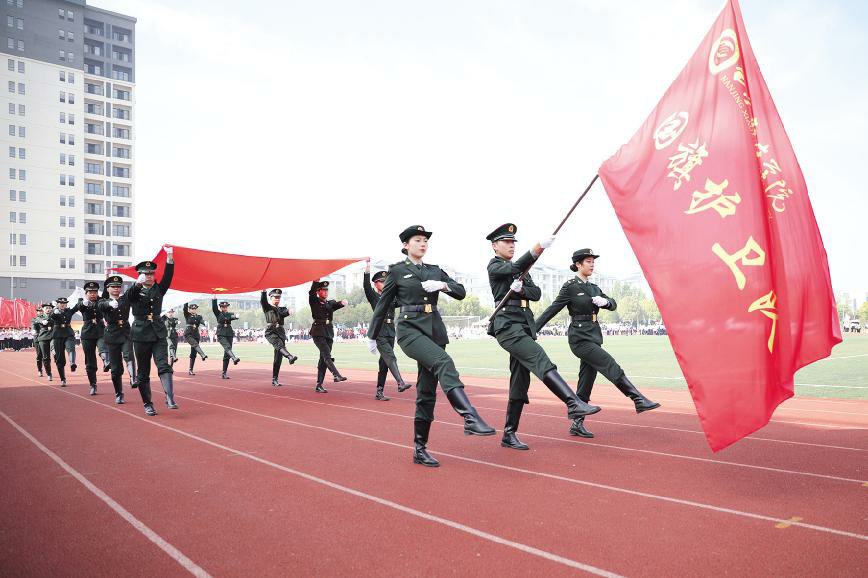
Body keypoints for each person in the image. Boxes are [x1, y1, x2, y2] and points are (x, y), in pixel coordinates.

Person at [368, 225, 495, 468]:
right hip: (409, 329)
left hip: (434, 330)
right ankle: (470, 417)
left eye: (425, 240)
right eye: (417, 240)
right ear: (406, 245)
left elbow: (460, 292)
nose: (423, 244)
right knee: (443, 362)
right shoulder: (396, 271)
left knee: (426, 392)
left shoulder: (435, 270)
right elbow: (383, 305)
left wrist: (443, 286)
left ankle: (420, 448)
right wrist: (372, 335)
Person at [485, 224, 601, 450]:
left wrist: (520, 289)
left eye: (513, 242)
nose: (511, 245)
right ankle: (572, 403)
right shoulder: (496, 265)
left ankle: (509, 434)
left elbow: (536, 294)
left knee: (520, 381)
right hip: (507, 326)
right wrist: (537, 248)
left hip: (523, 326)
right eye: (506, 242)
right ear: (494, 246)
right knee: (540, 358)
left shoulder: (519, 271)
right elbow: (514, 267)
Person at [535, 248, 660, 438]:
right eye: (588, 261)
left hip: (594, 336)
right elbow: (552, 309)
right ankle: (637, 399)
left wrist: (606, 303)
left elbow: (613, 303)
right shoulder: (570, 286)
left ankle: (577, 422)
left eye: (593, 261)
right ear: (578, 264)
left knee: (587, 380)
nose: (592, 264)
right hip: (579, 338)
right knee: (609, 364)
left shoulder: (594, 287)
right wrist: (532, 330)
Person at [127, 248, 176, 415]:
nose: (149, 276)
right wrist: (137, 284)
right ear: (140, 275)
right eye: (146, 274)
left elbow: (168, 277)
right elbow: (128, 297)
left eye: (151, 274)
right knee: (143, 371)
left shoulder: (158, 289)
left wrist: (170, 257)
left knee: (163, 364)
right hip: (141, 333)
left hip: (158, 331)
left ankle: (169, 397)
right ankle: (147, 403)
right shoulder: (134, 290)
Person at [363, 258, 412, 400]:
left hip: (391, 330)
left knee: (384, 363)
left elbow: (402, 300)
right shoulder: (373, 297)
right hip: (379, 332)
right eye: (381, 282)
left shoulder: (390, 297)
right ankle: (400, 382)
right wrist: (367, 268)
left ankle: (379, 392)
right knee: (390, 357)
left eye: (386, 281)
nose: (384, 284)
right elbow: (366, 286)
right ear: (376, 284)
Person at [98, 276, 134, 405]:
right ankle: (119, 393)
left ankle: (133, 378)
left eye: (118, 286)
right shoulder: (103, 301)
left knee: (128, 354)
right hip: (112, 335)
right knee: (116, 369)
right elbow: (100, 305)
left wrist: (139, 283)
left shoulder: (125, 299)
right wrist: (109, 303)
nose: (116, 289)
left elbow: (133, 292)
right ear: (108, 288)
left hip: (125, 332)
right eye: (113, 286)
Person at [308, 280, 348, 393]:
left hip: (328, 332)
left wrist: (342, 303)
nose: (325, 292)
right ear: (318, 291)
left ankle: (319, 385)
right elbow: (311, 293)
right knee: (326, 355)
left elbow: (336, 305)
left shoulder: (329, 303)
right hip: (318, 332)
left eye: (326, 290)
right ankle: (336, 375)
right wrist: (315, 281)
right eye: (323, 290)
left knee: (323, 359)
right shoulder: (314, 301)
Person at [260, 288, 298, 386]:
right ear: (271, 298)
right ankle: (290, 356)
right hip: (271, 331)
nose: (277, 299)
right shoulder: (267, 307)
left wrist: (290, 311)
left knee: (278, 358)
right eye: (275, 297)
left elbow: (285, 312)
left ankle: (275, 379)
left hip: (280, 332)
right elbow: (263, 301)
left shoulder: (281, 309)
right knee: (279, 345)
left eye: (279, 297)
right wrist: (263, 292)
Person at [79, 281, 105, 395]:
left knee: (103, 348)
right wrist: (84, 303)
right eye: (90, 292)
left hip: (100, 330)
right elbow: (79, 307)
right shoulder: (82, 302)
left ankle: (106, 360)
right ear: (86, 293)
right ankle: (93, 384)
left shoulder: (101, 300)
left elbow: (106, 299)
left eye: (95, 292)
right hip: (87, 333)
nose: (93, 294)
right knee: (90, 361)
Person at [48, 296, 82, 386]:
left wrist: (80, 301)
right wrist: (54, 311)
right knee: (60, 358)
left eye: (64, 303)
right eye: (61, 303)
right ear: (58, 304)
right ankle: (63, 379)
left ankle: (72, 363)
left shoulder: (69, 311)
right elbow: (51, 316)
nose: (63, 305)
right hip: (58, 335)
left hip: (68, 333)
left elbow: (76, 308)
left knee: (71, 348)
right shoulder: (55, 311)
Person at [212, 298, 241, 379]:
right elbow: (214, 308)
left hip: (229, 333)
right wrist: (214, 299)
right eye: (223, 307)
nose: (224, 308)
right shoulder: (218, 314)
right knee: (227, 347)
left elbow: (233, 316)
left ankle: (224, 373)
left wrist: (236, 317)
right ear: (220, 307)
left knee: (227, 353)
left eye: (226, 307)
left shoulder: (229, 314)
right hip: (221, 334)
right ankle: (234, 358)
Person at [183, 302, 208, 375]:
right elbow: (184, 308)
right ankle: (202, 354)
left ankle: (190, 370)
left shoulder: (199, 316)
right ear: (189, 309)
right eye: (192, 309)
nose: (193, 310)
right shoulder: (187, 315)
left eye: (195, 309)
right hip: (188, 334)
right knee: (195, 344)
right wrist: (186, 300)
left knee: (193, 352)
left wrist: (204, 323)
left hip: (196, 334)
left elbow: (201, 321)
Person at [33, 304, 54, 380]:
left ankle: (55, 355)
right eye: (46, 308)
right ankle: (47, 372)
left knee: (55, 352)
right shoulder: (39, 317)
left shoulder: (54, 315)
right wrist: (34, 330)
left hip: (52, 337)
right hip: (41, 338)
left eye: (50, 308)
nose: (48, 309)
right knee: (43, 356)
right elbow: (36, 321)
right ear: (43, 309)